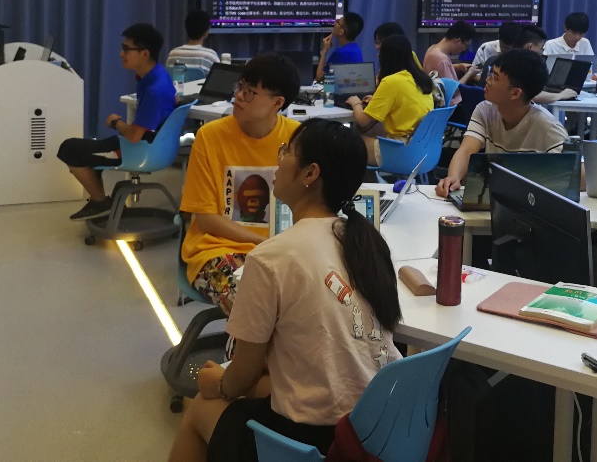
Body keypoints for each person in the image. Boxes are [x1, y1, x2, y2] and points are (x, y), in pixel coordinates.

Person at [168, 120, 402, 462]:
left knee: (201, 407)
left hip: (317, 440)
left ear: (310, 173)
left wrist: (218, 383)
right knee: (263, 384)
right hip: (378, 424)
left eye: (287, 151)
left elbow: (242, 375)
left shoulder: (269, 258)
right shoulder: (366, 242)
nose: (278, 160)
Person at [179, 53, 301, 313]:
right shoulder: (209, 137)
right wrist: (263, 242)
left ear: (277, 102)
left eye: (250, 92)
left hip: (282, 250)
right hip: (217, 249)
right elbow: (206, 219)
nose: (238, 96)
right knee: (256, 305)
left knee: (314, 300)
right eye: (240, 87)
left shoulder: (297, 138)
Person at [58, 23, 177, 221]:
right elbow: (176, 99)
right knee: (85, 148)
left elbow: (134, 136)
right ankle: (99, 199)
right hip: (153, 143)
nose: (121, 54)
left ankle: (100, 202)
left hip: (139, 150)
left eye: (126, 49)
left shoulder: (153, 90)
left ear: (144, 53)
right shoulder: (159, 74)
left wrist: (116, 122)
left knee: (69, 149)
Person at [435, 49, 569, 196]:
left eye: (495, 77)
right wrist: (454, 177)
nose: (487, 80)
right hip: (495, 197)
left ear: (515, 93)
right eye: (491, 73)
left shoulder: (548, 127)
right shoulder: (485, 110)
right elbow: (467, 150)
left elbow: (575, 174)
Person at [346, 35, 434, 164]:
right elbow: (405, 103)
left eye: (380, 52)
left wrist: (356, 103)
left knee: (346, 141)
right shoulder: (421, 79)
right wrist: (377, 100)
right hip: (423, 148)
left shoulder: (390, 82)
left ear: (387, 57)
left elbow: (363, 121)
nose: (377, 55)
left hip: (400, 151)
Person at [315, 12, 365, 82]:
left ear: (341, 31)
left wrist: (324, 51)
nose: (334, 23)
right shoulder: (357, 50)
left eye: (337, 22)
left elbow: (319, 77)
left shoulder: (340, 54)